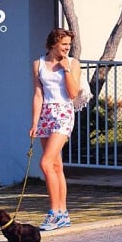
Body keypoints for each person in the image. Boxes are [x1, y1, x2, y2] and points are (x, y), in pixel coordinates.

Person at [29, 29, 81, 231]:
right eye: (64, 44)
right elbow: (38, 95)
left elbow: (73, 93)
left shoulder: (73, 63)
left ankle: (54, 213)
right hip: (45, 114)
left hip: (63, 114)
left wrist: (66, 69)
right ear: (53, 44)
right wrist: (34, 123)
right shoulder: (38, 64)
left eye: (69, 44)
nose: (67, 48)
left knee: (45, 163)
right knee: (56, 166)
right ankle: (63, 213)